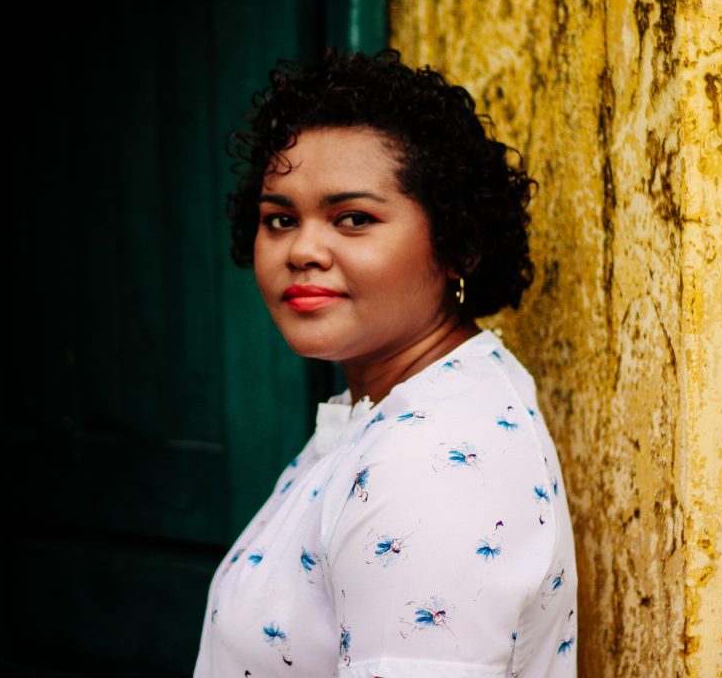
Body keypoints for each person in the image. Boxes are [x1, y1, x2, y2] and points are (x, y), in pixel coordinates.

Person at [194, 49, 576, 678]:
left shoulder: (435, 463)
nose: (303, 250)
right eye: (280, 219)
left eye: (353, 219)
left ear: (458, 242)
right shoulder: (390, 410)